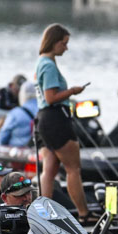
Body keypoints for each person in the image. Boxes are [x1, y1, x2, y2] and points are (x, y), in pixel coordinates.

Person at [35, 23, 90, 222]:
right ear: (54, 42)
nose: (66, 48)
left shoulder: (41, 62)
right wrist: (73, 91)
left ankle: (43, 216)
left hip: (44, 119)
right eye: (64, 43)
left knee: (48, 171)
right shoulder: (49, 65)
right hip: (56, 118)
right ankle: (84, 214)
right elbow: (51, 97)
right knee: (73, 169)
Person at [0, 74, 26, 142]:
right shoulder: (0, 93)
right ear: (12, 85)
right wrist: (15, 114)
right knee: (3, 121)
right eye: (17, 89)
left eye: (21, 91)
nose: (18, 92)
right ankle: (1, 143)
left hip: (12, 129)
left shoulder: (22, 97)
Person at [0, 81, 38, 147]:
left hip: (19, 150)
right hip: (40, 150)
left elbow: (2, 138)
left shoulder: (15, 113)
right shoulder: (44, 110)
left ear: (22, 95)